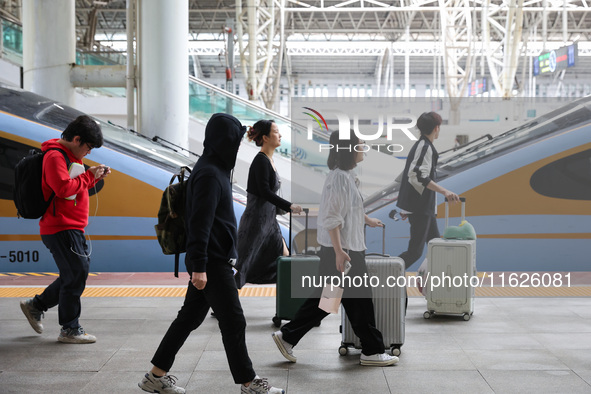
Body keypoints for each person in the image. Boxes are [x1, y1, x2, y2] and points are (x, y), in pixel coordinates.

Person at [138, 113, 284, 394]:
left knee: (189, 319)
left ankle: (154, 376)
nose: (237, 146)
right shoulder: (208, 174)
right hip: (211, 262)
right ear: (223, 140)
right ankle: (249, 383)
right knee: (234, 321)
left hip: (212, 260)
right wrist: (200, 267)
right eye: (234, 140)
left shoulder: (214, 168)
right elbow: (199, 224)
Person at [271, 130, 399, 367]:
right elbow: (331, 217)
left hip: (342, 251)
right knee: (358, 300)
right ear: (350, 150)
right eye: (361, 145)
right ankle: (371, 351)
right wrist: (340, 252)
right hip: (344, 253)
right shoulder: (340, 178)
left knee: (328, 301)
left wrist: (366, 219)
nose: (363, 149)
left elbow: (348, 210)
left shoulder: (345, 176)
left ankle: (288, 337)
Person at [19, 115, 110, 344]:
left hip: (71, 226)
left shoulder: (69, 157)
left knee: (75, 273)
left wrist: (93, 176)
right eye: (88, 147)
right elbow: (62, 188)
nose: (89, 153)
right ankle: (69, 328)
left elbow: (74, 187)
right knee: (76, 273)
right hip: (60, 226)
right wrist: (89, 176)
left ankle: (36, 306)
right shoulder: (54, 156)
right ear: (77, 139)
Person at [234, 119, 302, 289]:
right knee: (244, 266)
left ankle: (290, 304)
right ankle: (221, 303)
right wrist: (289, 206)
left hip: (268, 222)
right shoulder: (261, 161)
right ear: (265, 137)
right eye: (276, 132)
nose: (280, 135)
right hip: (256, 223)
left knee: (285, 259)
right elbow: (265, 192)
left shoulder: (268, 160)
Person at [396, 111, 460, 270]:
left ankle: (439, 288)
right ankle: (385, 273)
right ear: (437, 128)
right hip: (421, 209)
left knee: (436, 248)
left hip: (424, 208)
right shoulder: (425, 147)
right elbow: (416, 174)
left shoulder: (423, 146)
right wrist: (444, 191)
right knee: (415, 252)